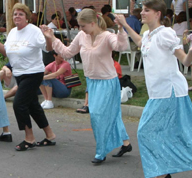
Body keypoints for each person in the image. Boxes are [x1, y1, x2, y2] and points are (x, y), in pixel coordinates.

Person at [120, 0, 192, 178]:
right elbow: (140, 42)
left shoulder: (166, 33)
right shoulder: (148, 35)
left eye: (147, 10)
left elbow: (184, 60)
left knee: (146, 131)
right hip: (158, 93)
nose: (142, 13)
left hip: (170, 91)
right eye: (143, 10)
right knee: (175, 132)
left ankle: (164, 172)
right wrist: (124, 26)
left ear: (157, 14)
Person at [44, 9, 134, 164]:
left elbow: (121, 46)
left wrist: (121, 29)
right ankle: (126, 144)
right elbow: (67, 53)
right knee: (112, 114)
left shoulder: (107, 36)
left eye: (83, 26)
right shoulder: (81, 36)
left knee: (97, 115)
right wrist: (52, 38)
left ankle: (101, 151)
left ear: (93, 23)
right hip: (92, 81)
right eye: (80, 26)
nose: (81, 29)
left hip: (108, 82)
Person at [0, 3, 57, 151]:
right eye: (15, 14)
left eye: (20, 14)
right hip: (19, 73)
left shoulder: (34, 31)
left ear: (27, 17)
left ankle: (29, 138)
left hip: (33, 73)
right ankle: (50, 135)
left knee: (19, 104)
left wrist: (49, 38)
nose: (17, 17)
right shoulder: (12, 32)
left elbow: (48, 48)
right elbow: (6, 52)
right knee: (33, 105)